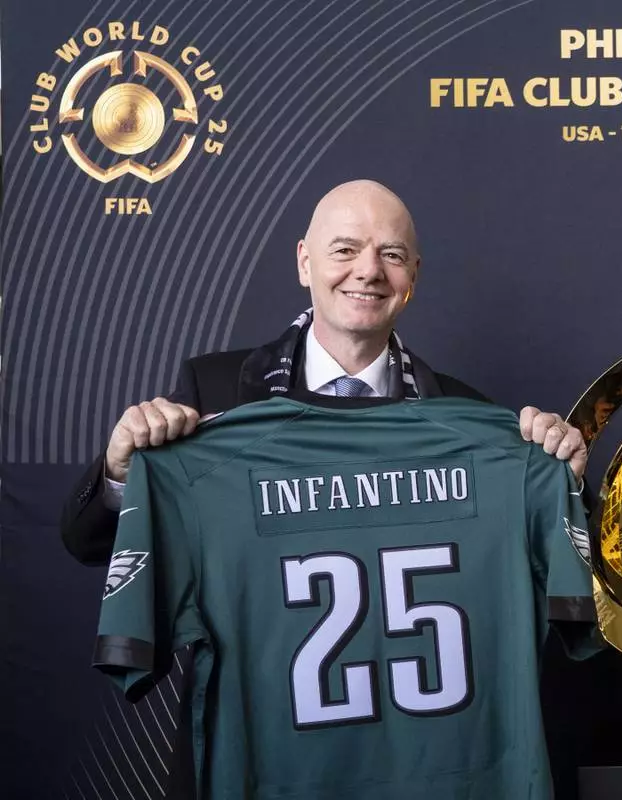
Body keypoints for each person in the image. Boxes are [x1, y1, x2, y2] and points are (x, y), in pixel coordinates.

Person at [60, 179, 587, 565]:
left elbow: (537, 561)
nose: (369, 271)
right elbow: (89, 547)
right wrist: (119, 475)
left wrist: (562, 481)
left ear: (413, 276)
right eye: (345, 250)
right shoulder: (213, 391)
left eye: (392, 255)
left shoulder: (467, 414)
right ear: (304, 262)